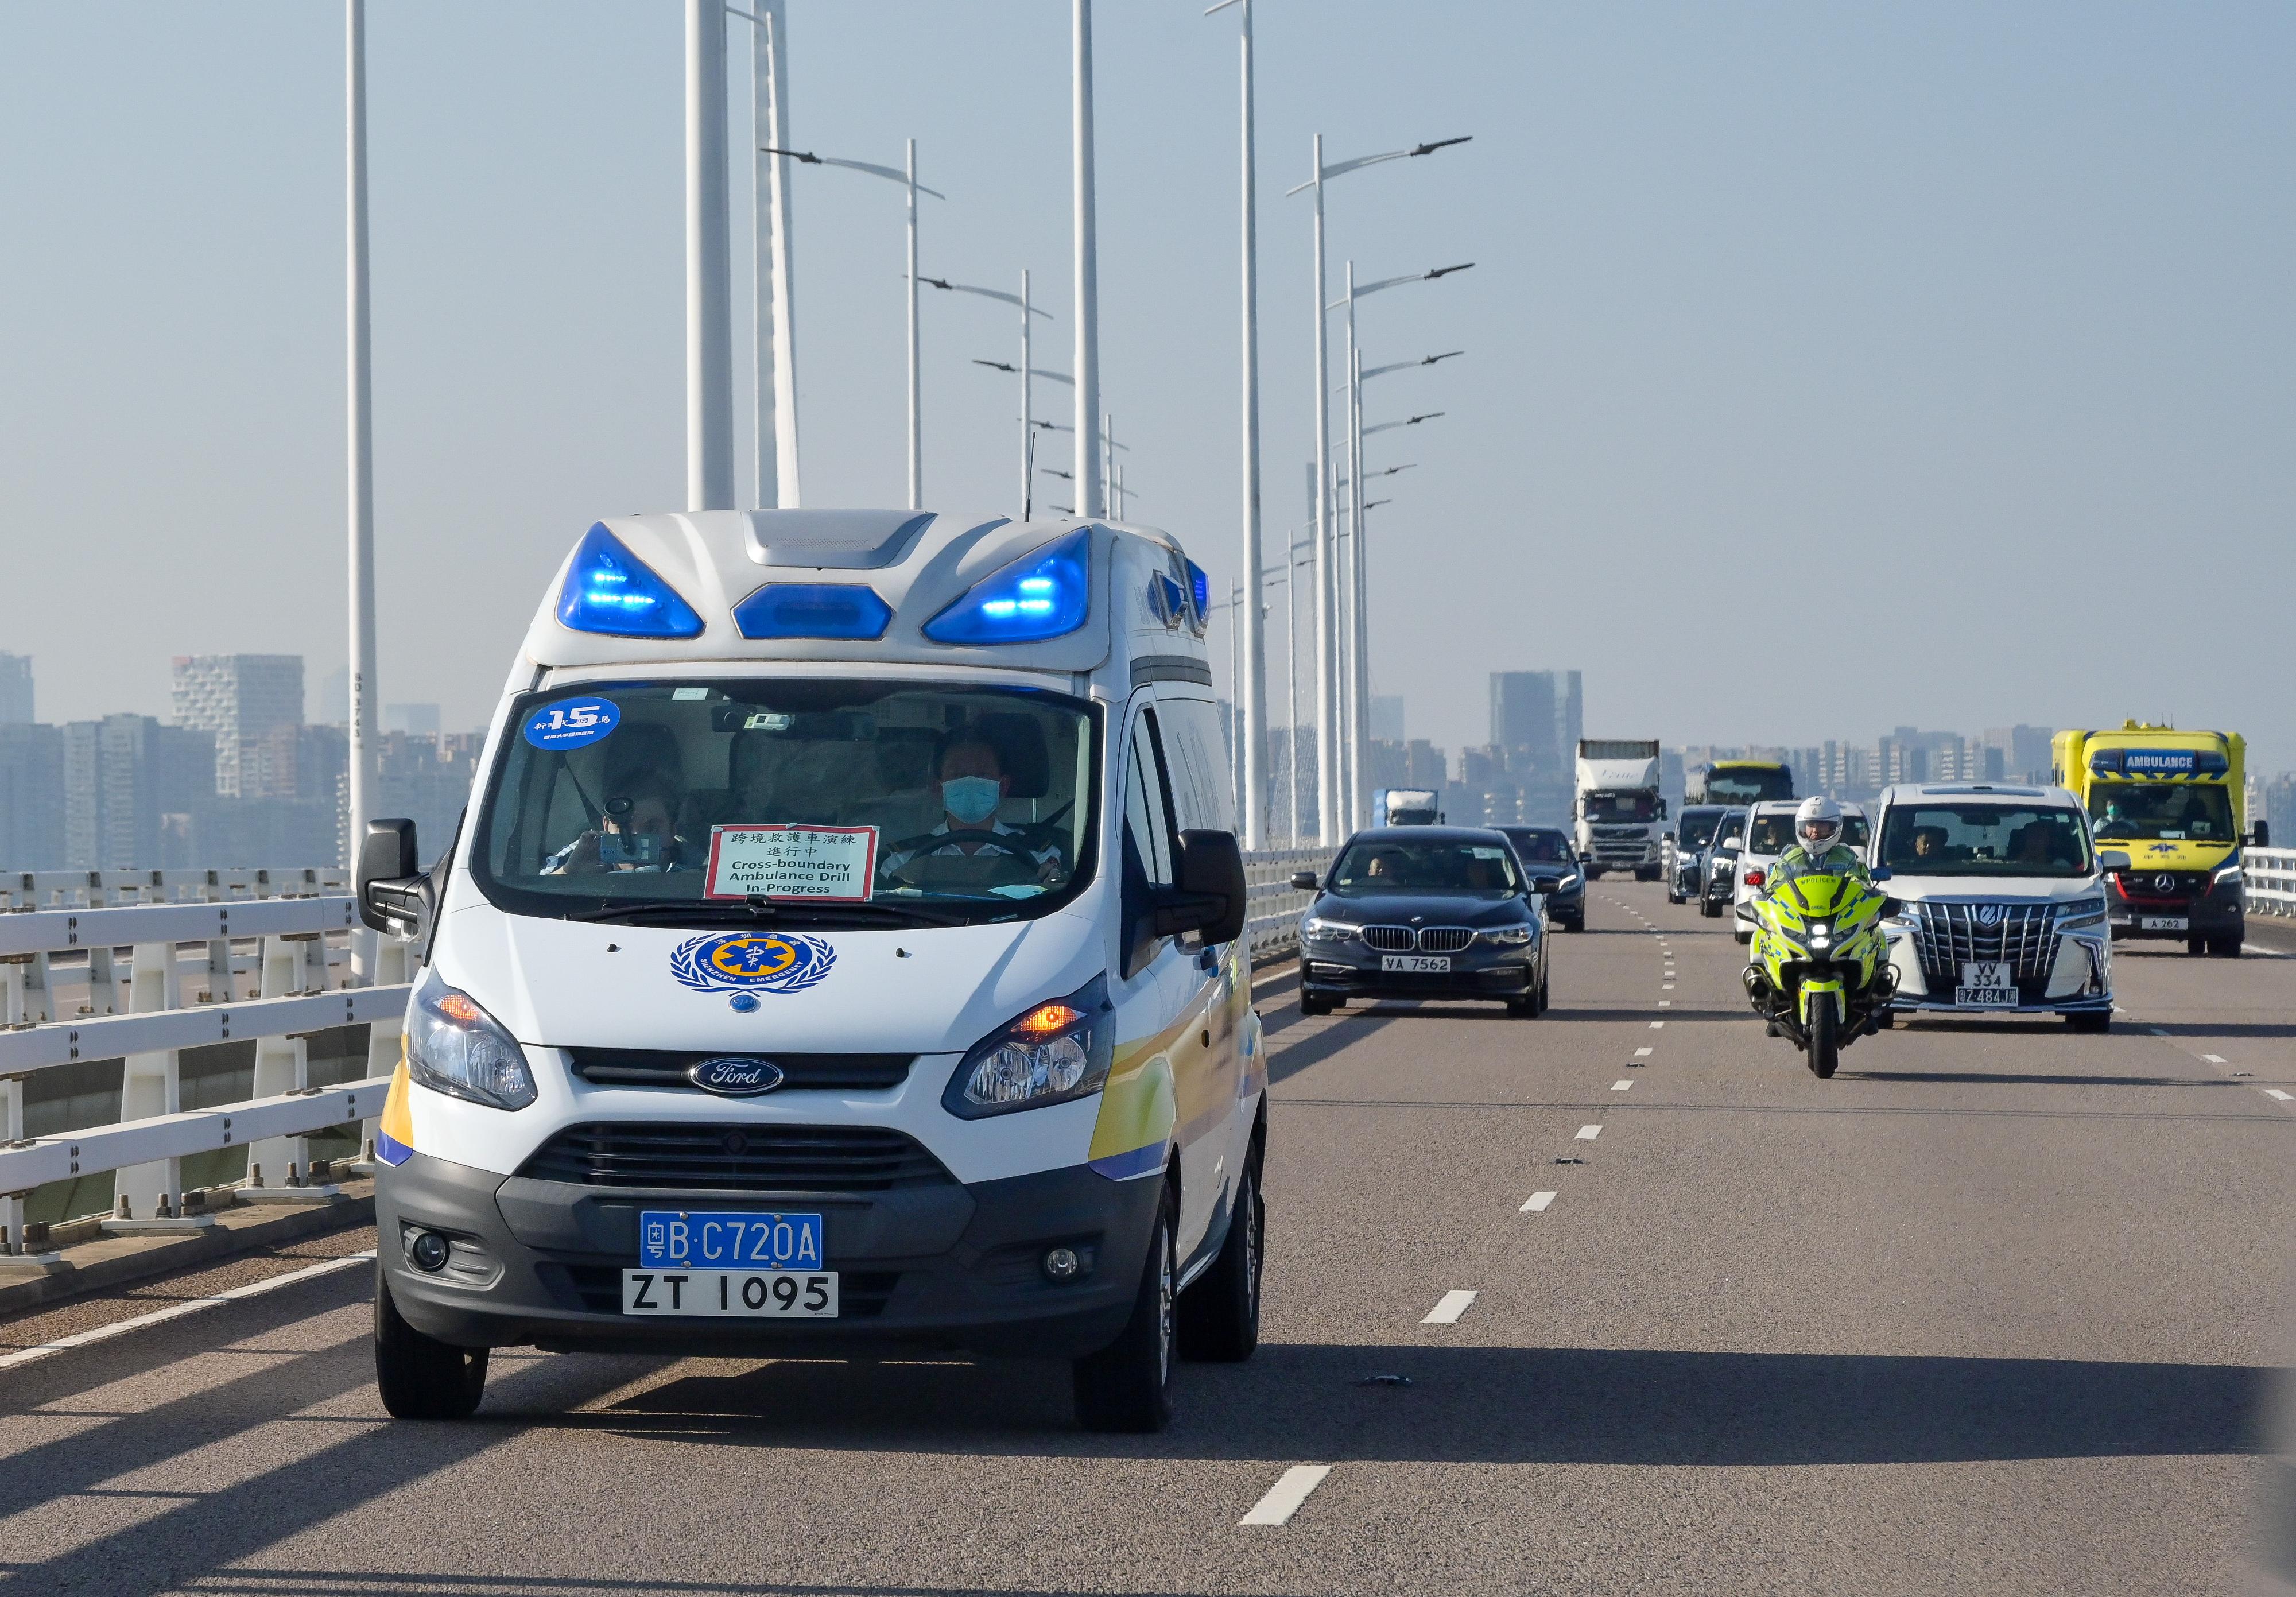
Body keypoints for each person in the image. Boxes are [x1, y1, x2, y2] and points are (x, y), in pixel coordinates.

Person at [878, 730, 1064, 889]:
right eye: (957, 774)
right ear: (938, 788)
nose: (969, 782)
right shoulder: (903, 861)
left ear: (1003, 786)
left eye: (982, 774)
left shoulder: (1040, 855)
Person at [543, 770, 689, 875]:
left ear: (672, 832)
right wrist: (570, 871)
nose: (636, 840)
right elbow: (536, 897)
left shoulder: (698, 867)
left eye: (652, 829)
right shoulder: (586, 850)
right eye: (624, 827)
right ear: (606, 826)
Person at [1770, 794, 1871, 888]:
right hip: (1795, 908)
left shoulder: (1847, 860)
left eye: (1821, 825)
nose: (1815, 830)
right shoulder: (1790, 860)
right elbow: (1773, 889)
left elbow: (1860, 888)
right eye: (1810, 825)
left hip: (1839, 908)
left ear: (1834, 827)